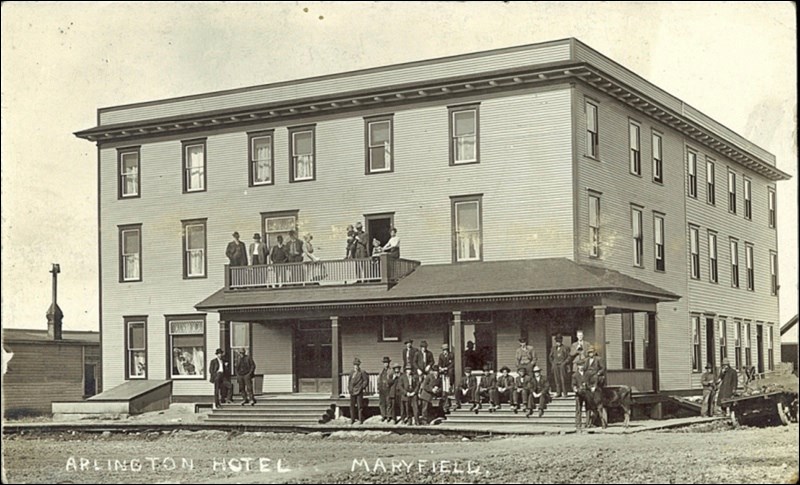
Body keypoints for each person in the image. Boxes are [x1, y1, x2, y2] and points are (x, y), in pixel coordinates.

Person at [348, 357, 370, 424]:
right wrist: (349, 388)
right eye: (355, 365)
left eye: (357, 365)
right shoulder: (351, 372)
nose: (356, 366)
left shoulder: (362, 372)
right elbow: (349, 381)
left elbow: (366, 381)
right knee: (352, 406)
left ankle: (360, 419)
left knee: (359, 406)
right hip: (352, 391)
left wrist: (361, 387)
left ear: (359, 365)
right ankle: (352, 419)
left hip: (358, 391)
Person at [572, 364, 593, 428]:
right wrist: (575, 389)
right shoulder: (575, 375)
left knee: (588, 408)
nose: (581, 367)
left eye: (582, 366)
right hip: (579, 394)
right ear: (578, 367)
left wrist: (590, 387)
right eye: (580, 366)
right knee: (578, 409)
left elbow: (591, 382)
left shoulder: (588, 374)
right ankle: (578, 424)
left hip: (587, 393)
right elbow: (573, 384)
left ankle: (588, 423)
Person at [377, 356, 392, 422]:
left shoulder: (391, 371)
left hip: (388, 388)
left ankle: (389, 416)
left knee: (388, 402)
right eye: (385, 363)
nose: (386, 364)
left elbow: (392, 380)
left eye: (387, 362)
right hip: (381, 388)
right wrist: (378, 387)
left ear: (389, 363)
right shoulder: (381, 371)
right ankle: (383, 415)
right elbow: (378, 379)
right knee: (382, 402)